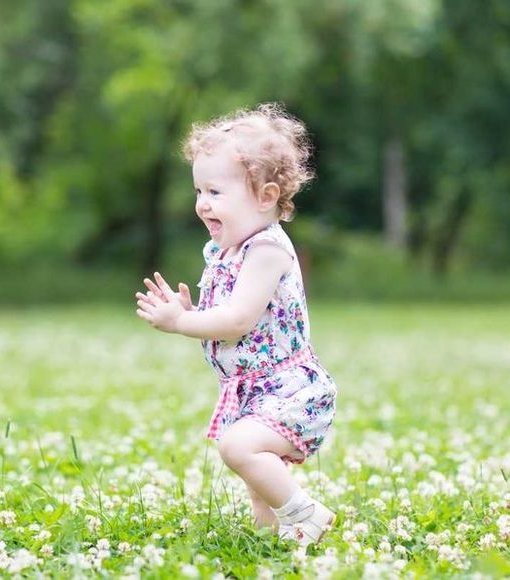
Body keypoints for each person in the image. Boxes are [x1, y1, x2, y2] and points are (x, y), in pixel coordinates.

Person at [135, 103, 338, 547]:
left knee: (238, 447)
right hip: (253, 388)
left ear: (265, 197)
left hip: (290, 389)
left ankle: (306, 515)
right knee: (257, 475)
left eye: (216, 192)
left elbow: (237, 320)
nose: (202, 204)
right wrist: (193, 308)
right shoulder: (225, 250)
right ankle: (276, 540)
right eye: (199, 190)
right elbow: (226, 312)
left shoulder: (267, 249)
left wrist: (182, 322)